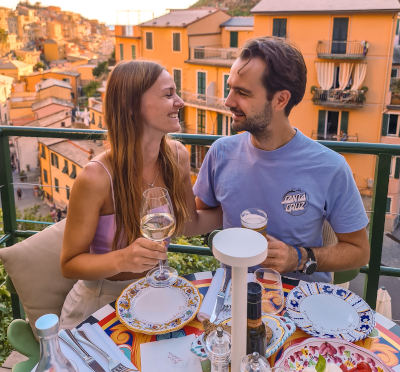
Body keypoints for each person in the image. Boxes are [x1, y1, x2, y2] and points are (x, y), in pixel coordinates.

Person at [60, 60, 222, 329]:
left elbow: (188, 223)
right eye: (168, 94)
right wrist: (123, 259)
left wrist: (240, 206)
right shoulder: (96, 178)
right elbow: (69, 264)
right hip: (101, 304)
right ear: (133, 107)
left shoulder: (177, 156)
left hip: (154, 296)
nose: (180, 102)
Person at [194, 37, 370, 282]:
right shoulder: (220, 152)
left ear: (280, 100)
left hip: (301, 305)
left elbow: (359, 253)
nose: (228, 101)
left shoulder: (330, 166)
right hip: (233, 296)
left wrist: (297, 257)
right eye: (230, 88)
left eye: (242, 93)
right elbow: (201, 217)